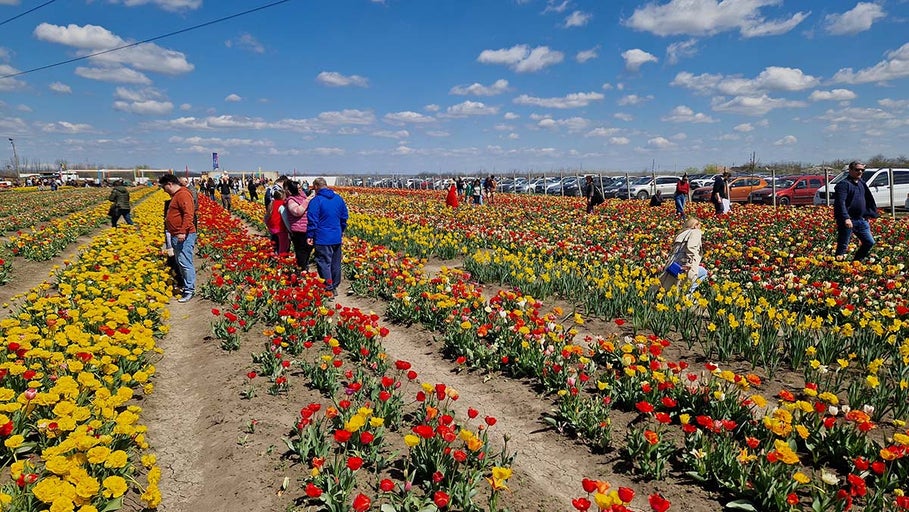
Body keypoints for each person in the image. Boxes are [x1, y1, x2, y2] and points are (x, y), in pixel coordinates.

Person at [306, 178, 349, 297]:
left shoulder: (316, 201)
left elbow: (312, 219)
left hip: (322, 237)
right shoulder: (338, 199)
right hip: (336, 236)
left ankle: (328, 287)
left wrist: (310, 235)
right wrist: (341, 230)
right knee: (335, 262)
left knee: (324, 262)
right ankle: (334, 285)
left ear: (315, 186)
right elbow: (344, 217)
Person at [160, 174, 197, 303]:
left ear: (170, 184)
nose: (164, 190)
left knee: (185, 262)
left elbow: (189, 214)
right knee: (181, 262)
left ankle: (189, 290)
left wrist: (182, 231)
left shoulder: (183, 194)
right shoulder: (177, 195)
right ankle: (186, 286)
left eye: (164, 187)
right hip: (177, 234)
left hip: (184, 235)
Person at [834, 161, 878, 261]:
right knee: (843, 245)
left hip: (861, 219)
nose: (860, 172)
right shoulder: (844, 185)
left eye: (862, 170)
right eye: (857, 169)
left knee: (869, 242)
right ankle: (837, 266)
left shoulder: (861, 183)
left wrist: (867, 214)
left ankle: (857, 262)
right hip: (848, 220)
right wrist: (846, 218)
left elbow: (867, 199)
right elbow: (841, 203)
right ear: (850, 170)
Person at [659, 216, 708, 293]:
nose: (700, 229)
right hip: (684, 265)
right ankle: (689, 294)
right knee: (703, 272)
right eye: (699, 226)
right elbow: (691, 247)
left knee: (671, 287)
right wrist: (689, 263)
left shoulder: (681, 234)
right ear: (695, 225)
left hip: (673, 265)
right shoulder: (696, 232)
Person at [283, 179, 312, 270]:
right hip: (298, 230)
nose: (301, 189)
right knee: (301, 251)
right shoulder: (291, 200)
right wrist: (307, 200)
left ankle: (303, 267)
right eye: (298, 188)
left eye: (300, 187)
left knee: (308, 249)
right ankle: (302, 269)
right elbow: (297, 212)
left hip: (307, 228)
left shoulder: (303, 196)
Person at [266, 189, 290, 255]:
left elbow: (266, 217)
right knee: (283, 245)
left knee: (275, 243)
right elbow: (285, 219)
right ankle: (281, 258)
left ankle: (273, 255)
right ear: (283, 196)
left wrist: (268, 226)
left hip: (272, 228)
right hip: (280, 228)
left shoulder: (272, 203)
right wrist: (290, 229)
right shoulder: (282, 205)